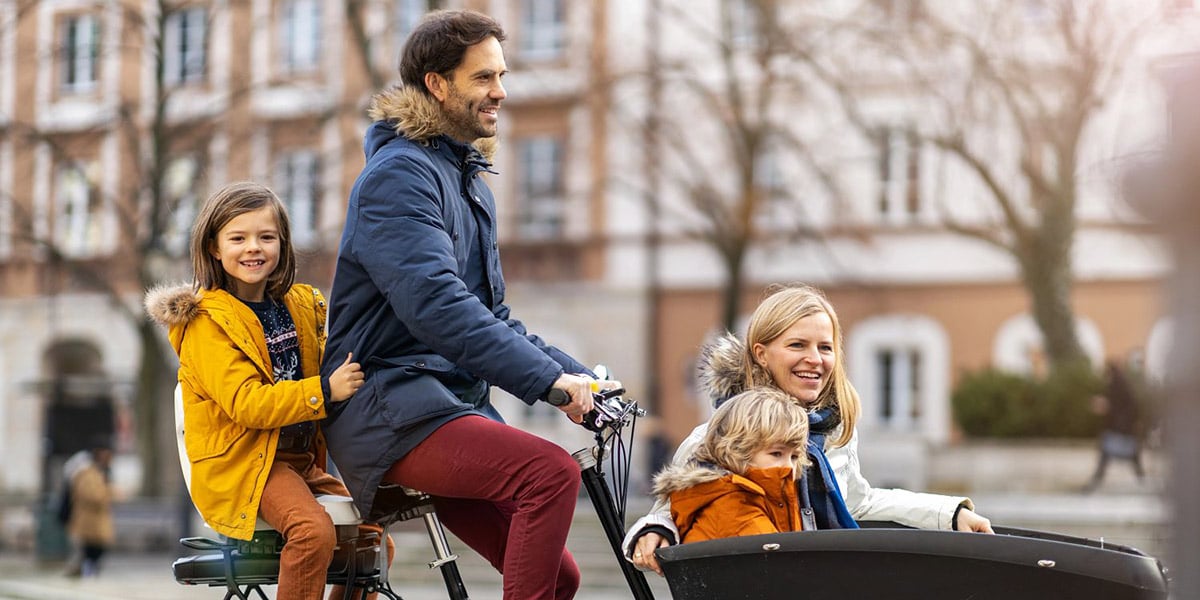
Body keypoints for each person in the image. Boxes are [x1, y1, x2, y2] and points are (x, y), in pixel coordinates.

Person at [318, 9, 613, 600]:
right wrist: (546, 384)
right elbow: (439, 308)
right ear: (437, 84)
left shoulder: (466, 180)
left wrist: (576, 375)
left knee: (561, 576)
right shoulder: (399, 177)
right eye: (483, 78)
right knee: (548, 475)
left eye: (501, 75)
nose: (499, 91)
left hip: (441, 402)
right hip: (388, 406)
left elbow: (492, 316)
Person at [624, 283, 994, 575]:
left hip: (814, 574)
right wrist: (654, 530)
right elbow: (675, 507)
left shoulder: (830, 429)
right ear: (761, 353)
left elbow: (857, 502)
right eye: (797, 345)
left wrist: (949, 514)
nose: (814, 359)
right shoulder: (721, 435)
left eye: (825, 347)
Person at [145, 181, 391, 600]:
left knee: (372, 538)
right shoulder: (207, 323)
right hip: (244, 463)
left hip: (298, 460)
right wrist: (325, 391)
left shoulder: (299, 305)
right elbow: (248, 405)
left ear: (283, 244)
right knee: (312, 531)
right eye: (237, 238)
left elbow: (336, 363)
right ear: (214, 249)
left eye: (266, 237)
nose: (253, 248)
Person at [652, 388, 809, 543]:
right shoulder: (731, 503)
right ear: (738, 449)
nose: (789, 467)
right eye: (776, 454)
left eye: (794, 457)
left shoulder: (764, 496)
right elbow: (776, 561)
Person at [1083, 358, 1147, 493]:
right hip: (1124, 429)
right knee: (1128, 456)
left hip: (1120, 429)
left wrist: (1104, 406)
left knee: (1108, 453)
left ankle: (1097, 480)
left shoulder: (1116, 385)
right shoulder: (1122, 384)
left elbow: (1116, 406)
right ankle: (1141, 479)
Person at [62, 440, 114, 578]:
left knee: (96, 550)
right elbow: (92, 495)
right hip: (88, 521)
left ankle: (87, 572)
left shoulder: (99, 471)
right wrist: (109, 492)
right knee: (88, 551)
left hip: (96, 522)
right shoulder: (87, 473)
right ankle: (83, 573)